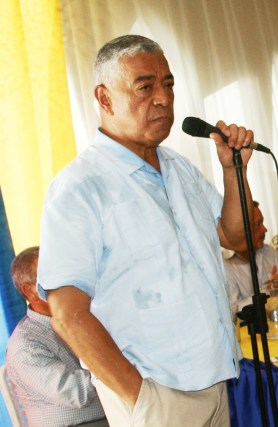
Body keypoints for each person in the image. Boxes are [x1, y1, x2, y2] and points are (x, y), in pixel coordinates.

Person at [37, 35, 256, 426]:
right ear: (105, 99)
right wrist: (140, 397)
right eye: (145, 87)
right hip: (156, 395)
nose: (164, 99)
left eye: (168, 85)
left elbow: (237, 238)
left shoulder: (179, 168)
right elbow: (68, 314)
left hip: (216, 380)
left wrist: (233, 171)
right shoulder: (79, 188)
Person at [5, 247, 107, 427]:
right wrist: (123, 364)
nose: (66, 282)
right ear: (29, 291)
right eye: (52, 277)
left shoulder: (87, 313)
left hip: (117, 411)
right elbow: (75, 392)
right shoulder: (24, 345)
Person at [224, 201, 278, 310]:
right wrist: (268, 290)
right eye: (258, 224)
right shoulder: (225, 264)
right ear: (241, 230)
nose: (265, 229)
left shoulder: (269, 252)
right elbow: (233, 311)